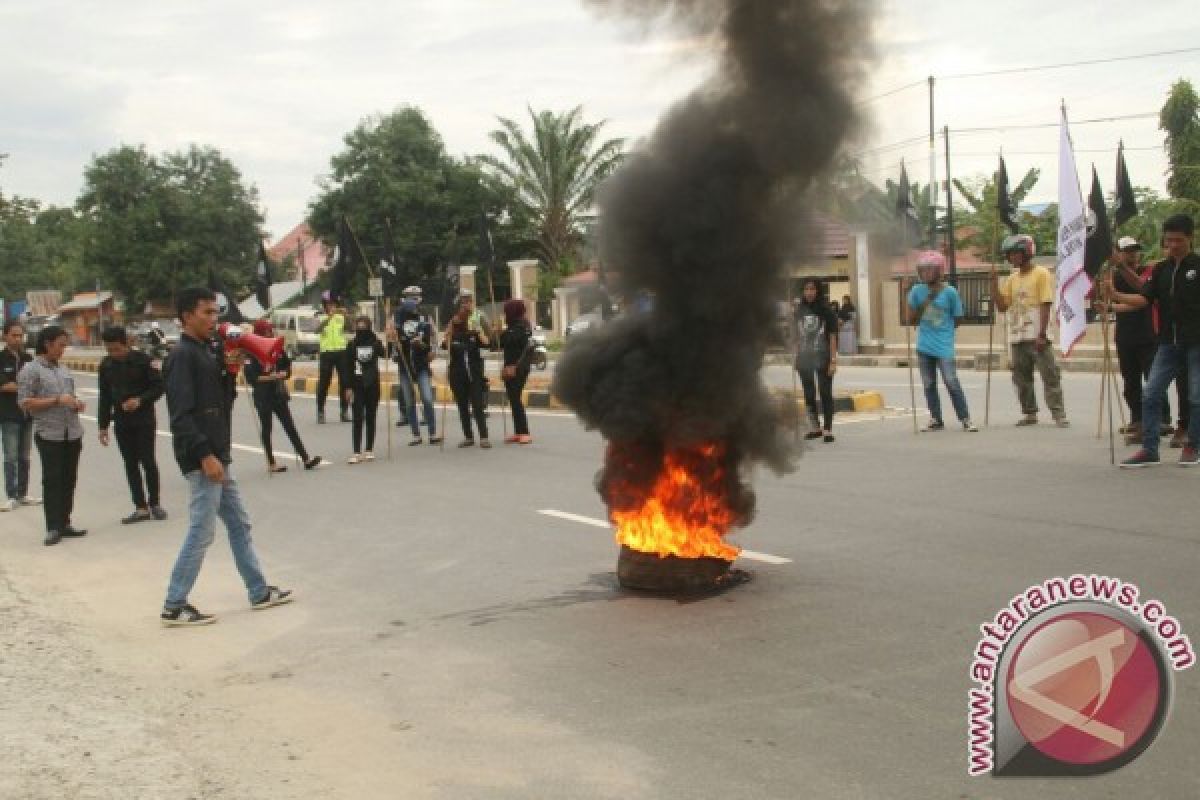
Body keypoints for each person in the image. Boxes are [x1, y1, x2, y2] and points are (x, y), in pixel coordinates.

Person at [160, 287, 293, 626]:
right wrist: (205, 455)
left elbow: (221, 403)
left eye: (215, 312)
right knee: (202, 531)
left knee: (238, 523)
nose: (213, 319)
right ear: (187, 316)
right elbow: (181, 415)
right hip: (203, 456)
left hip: (218, 452)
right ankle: (174, 604)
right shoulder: (182, 356)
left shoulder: (206, 351)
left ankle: (258, 590)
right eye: (206, 312)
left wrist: (229, 373)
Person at [1106, 214, 1200, 468]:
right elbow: (1144, 298)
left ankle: (1192, 445)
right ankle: (1149, 449)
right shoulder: (1161, 269)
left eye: (1178, 240)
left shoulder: (1197, 266)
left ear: (1189, 238)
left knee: (1195, 396)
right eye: (1168, 241)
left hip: (1195, 342)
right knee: (1150, 393)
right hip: (1168, 342)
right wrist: (1116, 296)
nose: (1173, 246)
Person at [16, 326, 87, 546]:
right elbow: (25, 403)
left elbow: (69, 396)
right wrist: (56, 401)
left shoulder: (63, 370)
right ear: (47, 344)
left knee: (69, 479)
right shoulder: (31, 370)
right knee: (53, 480)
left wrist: (75, 404)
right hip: (50, 434)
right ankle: (53, 527)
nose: (63, 350)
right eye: (60, 345)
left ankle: (65, 522)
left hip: (71, 432)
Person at [990, 233, 1069, 427]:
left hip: (1036, 334)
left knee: (1049, 375)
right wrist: (993, 286)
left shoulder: (1041, 273)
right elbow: (1002, 306)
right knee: (1021, 378)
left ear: (1027, 252)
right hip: (1017, 335)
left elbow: (1045, 304)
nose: (1012, 258)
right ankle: (1029, 412)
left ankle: (1058, 413)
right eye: (1009, 255)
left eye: (1016, 254)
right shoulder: (1011, 279)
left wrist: (1042, 334)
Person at [1097, 237, 1168, 445]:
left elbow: (1143, 299)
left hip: (1148, 334)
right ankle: (1138, 419)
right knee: (1131, 382)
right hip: (1126, 335)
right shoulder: (1114, 275)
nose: (1132, 254)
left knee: (1153, 380)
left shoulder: (1149, 273)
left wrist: (1115, 299)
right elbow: (1107, 299)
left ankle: (1162, 419)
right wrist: (1106, 296)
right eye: (1127, 251)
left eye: (1135, 250)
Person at [97, 326, 167, 524]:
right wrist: (102, 426)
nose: (114, 354)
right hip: (121, 421)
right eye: (110, 350)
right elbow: (104, 397)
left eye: (117, 349)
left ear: (126, 342)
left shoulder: (144, 361)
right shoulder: (106, 365)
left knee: (148, 461)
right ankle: (140, 507)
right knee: (130, 464)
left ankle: (155, 503)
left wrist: (140, 400)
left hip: (143, 418)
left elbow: (159, 387)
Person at [907, 252, 979, 432]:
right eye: (923, 270)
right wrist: (918, 304)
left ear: (939, 271)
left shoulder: (950, 292)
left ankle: (965, 418)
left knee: (951, 381)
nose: (925, 273)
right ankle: (935, 418)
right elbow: (910, 318)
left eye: (929, 270)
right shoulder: (916, 291)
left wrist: (944, 331)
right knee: (928, 384)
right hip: (924, 346)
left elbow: (958, 318)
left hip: (944, 345)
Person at [242, 319, 322, 473]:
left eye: (270, 330)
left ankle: (306, 458)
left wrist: (284, 373)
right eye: (266, 331)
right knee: (267, 428)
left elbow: (286, 364)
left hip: (278, 393)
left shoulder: (276, 348)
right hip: (263, 396)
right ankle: (271, 462)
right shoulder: (250, 352)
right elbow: (252, 378)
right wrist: (272, 377)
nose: (270, 333)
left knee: (290, 426)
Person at [388, 287, 440, 446]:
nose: (414, 301)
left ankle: (433, 433)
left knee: (427, 398)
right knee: (409, 401)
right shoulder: (396, 318)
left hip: (421, 364)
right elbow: (390, 341)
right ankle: (416, 435)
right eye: (410, 297)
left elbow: (434, 336)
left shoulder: (425, 317)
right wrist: (392, 339)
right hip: (404, 365)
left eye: (416, 297)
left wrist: (433, 351)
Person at [443, 292, 491, 448]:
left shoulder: (473, 331)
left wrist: (479, 332)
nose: (460, 318)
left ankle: (484, 437)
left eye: (462, 317)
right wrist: (448, 335)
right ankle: (468, 436)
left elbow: (487, 342)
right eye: (458, 316)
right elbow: (445, 347)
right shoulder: (453, 334)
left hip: (474, 374)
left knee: (477, 405)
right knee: (462, 406)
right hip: (457, 374)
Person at [793, 279, 838, 443]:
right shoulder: (799, 311)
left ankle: (827, 429)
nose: (809, 292)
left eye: (812, 289)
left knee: (825, 393)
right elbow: (796, 336)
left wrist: (833, 360)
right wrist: (795, 356)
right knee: (808, 393)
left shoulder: (827, 311)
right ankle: (815, 427)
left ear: (818, 291)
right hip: (805, 356)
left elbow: (833, 336)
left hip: (823, 355)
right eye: (806, 289)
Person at [1, 320, 39, 512]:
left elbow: (37, 382)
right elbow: (4, 385)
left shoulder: (28, 358)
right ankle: (11, 495)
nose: (18, 338)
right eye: (14, 335)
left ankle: (23, 494)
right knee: (11, 456)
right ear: (5, 336)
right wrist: (25, 388)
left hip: (27, 415)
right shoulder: (1, 359)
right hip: (8, 415)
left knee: (25, 456)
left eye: (20, 335)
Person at [344, 316, 386, 464]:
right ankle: (356, 451)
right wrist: (347, 387)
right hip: (357, 385)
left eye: (364, 327)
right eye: (358, 327)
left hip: (372, 384)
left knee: (371, 416)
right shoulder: (352, 345)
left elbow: (385, 354)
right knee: (357, 417)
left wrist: (392, 339)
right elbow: (347, 367)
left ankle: (369, 449)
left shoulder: (375, 343)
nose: (361, 330)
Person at [499, 298, 534, 445]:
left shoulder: (520, 327)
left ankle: (524, 432)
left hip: (518, 368)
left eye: (507, 311)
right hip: (511, 368)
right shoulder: (514, 326)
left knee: (515, 398)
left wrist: (502, 333)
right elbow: (500, 343)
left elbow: (510, 340)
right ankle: (518, 431)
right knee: (513, 399)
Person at [315, 292, 350, 424]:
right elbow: (317, 330)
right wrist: (328, 317)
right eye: (329, 304)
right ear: (324, 305)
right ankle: (320, 411)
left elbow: (351, 328)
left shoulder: (340, 317)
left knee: (345, 383)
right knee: (324, 383)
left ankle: (344, 411)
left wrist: (346, 316)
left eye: (334, 304)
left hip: (341, 352)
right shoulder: (320, 316)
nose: (332, 307)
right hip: (326, 352)